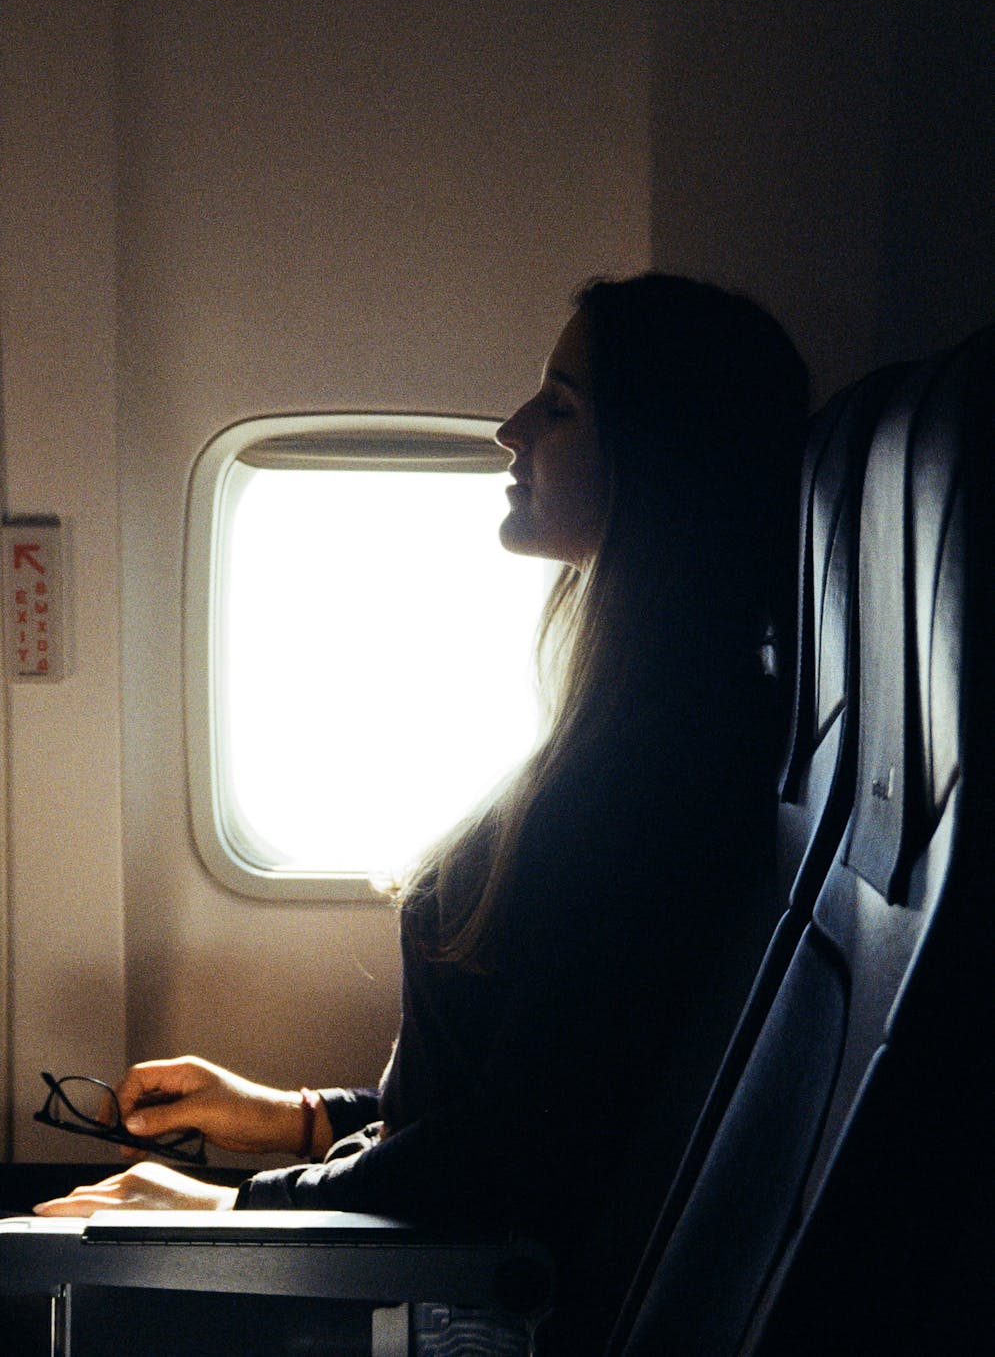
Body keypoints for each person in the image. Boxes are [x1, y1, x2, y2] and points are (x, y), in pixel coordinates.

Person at [36, 273, 808, 1352]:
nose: (508, 432)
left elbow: (519, 1157)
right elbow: (515, 1089)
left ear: (661, 461)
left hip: (477, 1288)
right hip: (433, 1231)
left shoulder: (658, 777)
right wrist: (300, 1117)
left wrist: (242, 1208)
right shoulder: (635, 725)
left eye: (558, 405)